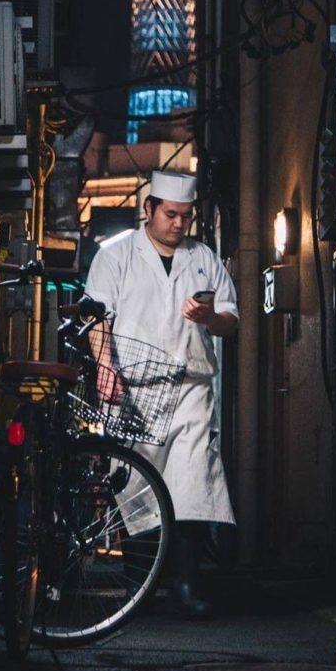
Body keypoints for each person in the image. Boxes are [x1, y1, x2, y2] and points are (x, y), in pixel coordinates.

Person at [84, 169, 238, 618]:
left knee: (192, 484)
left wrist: (209, 316)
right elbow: (98, 317)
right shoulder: (115, 257)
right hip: (135, 390)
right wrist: (105, 368)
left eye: (186, 217)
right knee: (137, 486)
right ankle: (139, 588)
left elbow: (231, 322)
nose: (178, 224)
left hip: (191, 386)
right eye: (170, 214)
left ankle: (187, 586)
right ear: (149, 208)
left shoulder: (205, 259)